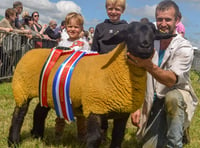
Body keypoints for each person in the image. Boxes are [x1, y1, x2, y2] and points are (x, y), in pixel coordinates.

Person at [129, 0, 198, 147]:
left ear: (177, 20)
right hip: (153, 100)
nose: (163, 23)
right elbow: (136, 72)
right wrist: (135, 106)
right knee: (148, 145)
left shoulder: (184, 47)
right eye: (160, 19)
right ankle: (174, 129)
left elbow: (171, 80)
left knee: (172, 98)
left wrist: (148, 65)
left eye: (168, 19)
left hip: (173, 95)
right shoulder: (150, 37)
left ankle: (175, 142)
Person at [91, 0, 128, 141]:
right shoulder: (100, 27)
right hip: (102, 70)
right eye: (110, 9)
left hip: (119, 72)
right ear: (106, 9)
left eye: (117, 9)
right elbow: (94, 50)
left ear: (122, 10)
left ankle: (118, 133)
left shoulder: (127, 27)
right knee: (101, 101)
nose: (113, 12)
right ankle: (102, 130)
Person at [55, 12, 90, 139]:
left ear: (81, 28)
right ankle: (58, 132)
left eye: (76, 27)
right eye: (70, 26)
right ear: (65, 27)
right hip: (63, 81)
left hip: (78, 81)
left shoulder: (84, 44)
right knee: (61, 105)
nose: (72, 29)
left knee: (80, 110)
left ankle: (82, 134)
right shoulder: (62, 43)